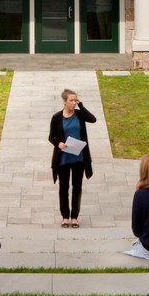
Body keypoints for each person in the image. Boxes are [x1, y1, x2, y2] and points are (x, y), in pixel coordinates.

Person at [47, 87, 98, 228]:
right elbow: (51, 137)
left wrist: (81, 105)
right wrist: (59, 144)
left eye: (76, 100)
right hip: (63, 159)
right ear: (64, 102)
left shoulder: (80, 115)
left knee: (77, 188)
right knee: (63, 189)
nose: (74, 103)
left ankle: (74, 217)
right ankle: (65, 216)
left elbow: (93, 119)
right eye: (71, 100)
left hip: (79, 158)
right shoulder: (57, 117)